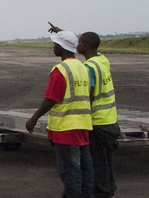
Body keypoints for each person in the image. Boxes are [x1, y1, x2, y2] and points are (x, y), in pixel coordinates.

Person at [50, 25, 121, 198]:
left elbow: (87, 95)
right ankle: (108, 191)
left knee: (97, 165)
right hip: (109, 120)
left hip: (97, 121)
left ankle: (103, 194)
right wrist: (61, 33)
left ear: (86, 46)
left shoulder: (89, 68)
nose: (77, 45)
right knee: (106, 163)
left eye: (80, 42)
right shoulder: (102, 61)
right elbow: (85, 42)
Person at [26, 29, 93, 198]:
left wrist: (33, 118)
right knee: (85, 169)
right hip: (83, 125)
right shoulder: (83, 68)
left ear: (62, 47)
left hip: (66, 128)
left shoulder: (61, 70)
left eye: (55, 44)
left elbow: (51, 99)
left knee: (70, 170)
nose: (53, 47)